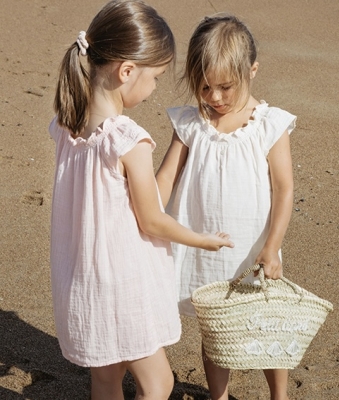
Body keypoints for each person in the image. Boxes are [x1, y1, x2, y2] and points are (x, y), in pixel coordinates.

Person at [49, 2, 234, 400]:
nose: (153, 89)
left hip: (83, 279)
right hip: (123, 283)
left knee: (106, 379)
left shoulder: (66, 127)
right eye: (155, 77)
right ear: (127, 71)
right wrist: (203, 239)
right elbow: (151, 220)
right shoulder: (126, 138)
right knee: (158, 383)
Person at [156, 13, 296, 400]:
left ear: (252, 70)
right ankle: (218, 396)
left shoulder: (270, 124)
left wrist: (272, 246)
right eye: (204, 87)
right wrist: (143, 210)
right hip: (201, 244)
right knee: (214, 327)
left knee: (269, 322)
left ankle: (279, 395)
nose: (214, 97)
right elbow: (165, 177)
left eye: (225, 87)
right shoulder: (190, 122)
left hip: (254, 247)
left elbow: (284, 188)